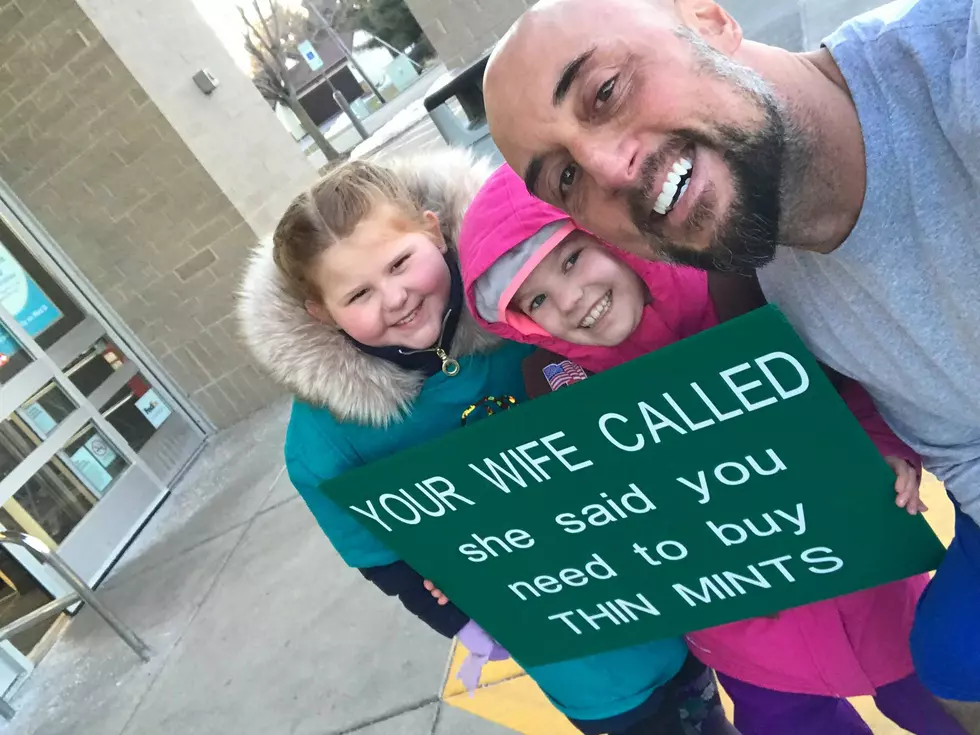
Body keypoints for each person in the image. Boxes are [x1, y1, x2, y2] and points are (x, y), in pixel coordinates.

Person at [481, 0, 980, 728]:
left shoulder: (953, 70)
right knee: (948, 655)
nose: (609, 167)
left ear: (707, 17)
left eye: (605, 90)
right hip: (767, 645)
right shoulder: (766, 283)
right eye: (563, 179)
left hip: (870, 605)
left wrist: (871, 454)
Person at [237, 150, 735, 735]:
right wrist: (461, 621)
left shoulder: (530, 300)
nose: (394, 297)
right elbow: (382, 557)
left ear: (434, 228)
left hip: (679, 572)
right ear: (323, 314)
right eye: (358, 295)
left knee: (709, 706)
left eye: (400, 263)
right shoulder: (327, 442)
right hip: (574, 638)